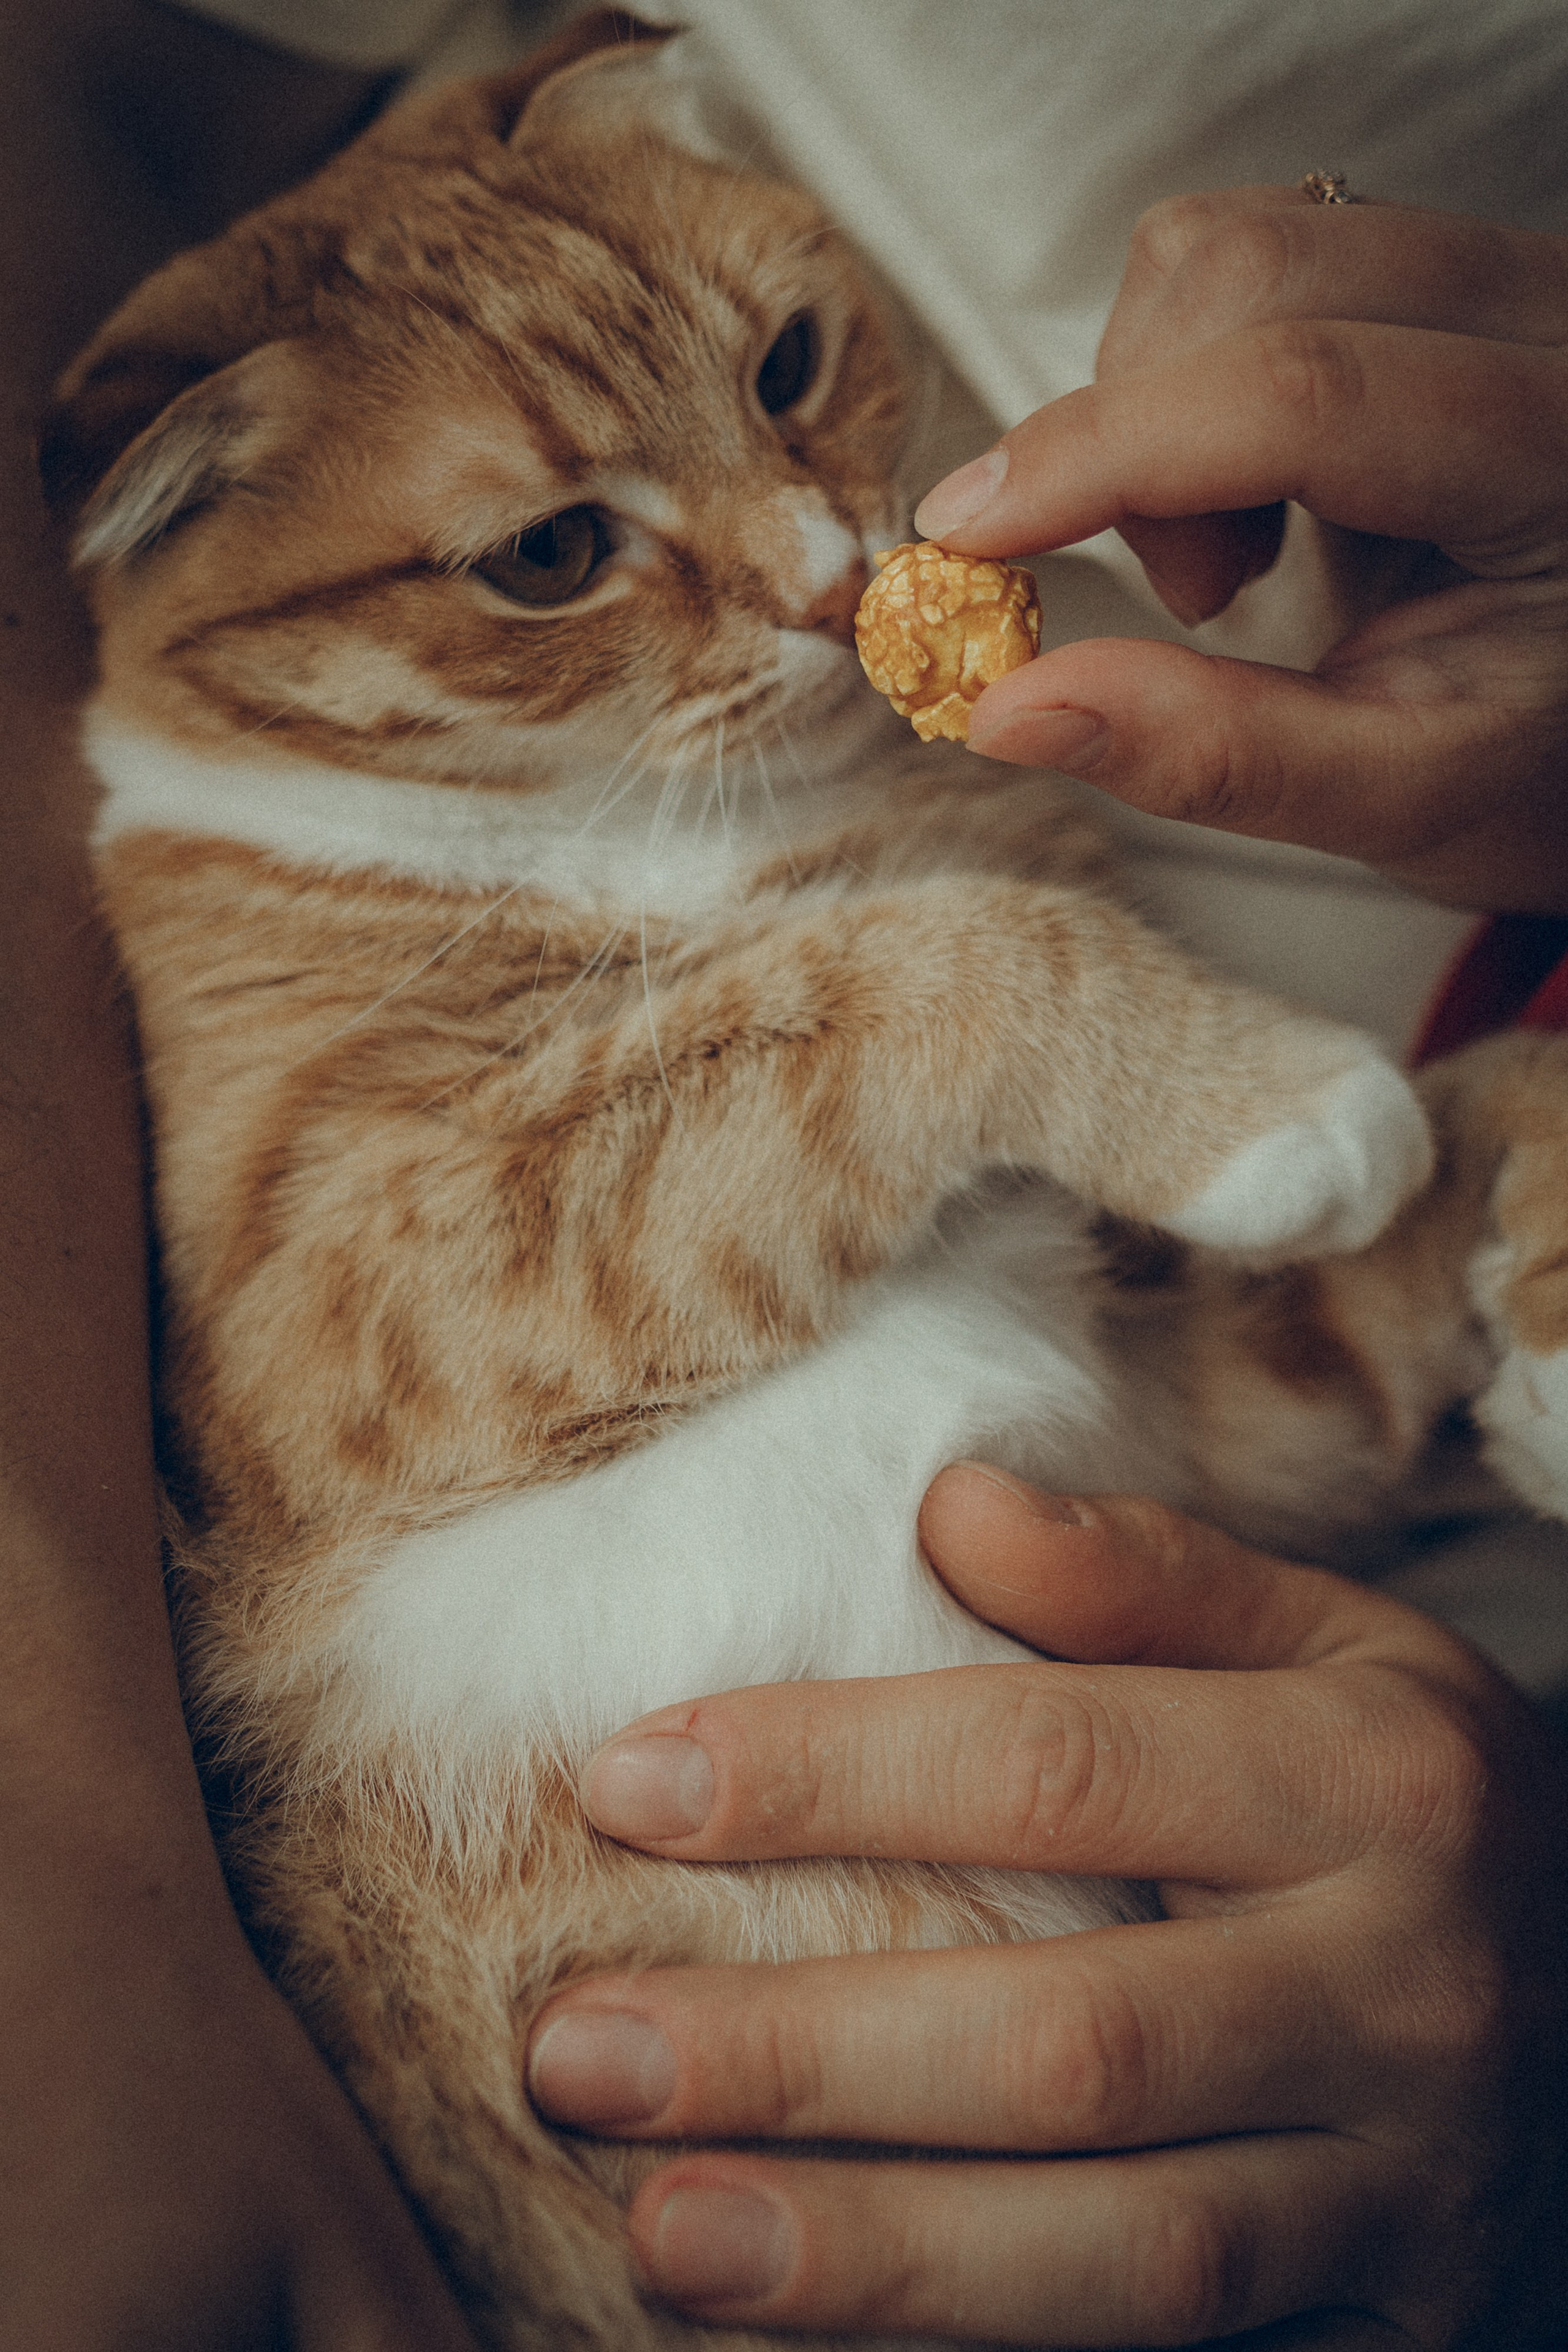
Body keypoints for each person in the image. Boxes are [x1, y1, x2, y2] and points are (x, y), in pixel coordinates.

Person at [2, 2, 1564, 2346]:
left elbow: (1246, 1391)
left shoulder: (874, 743)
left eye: (793, 367)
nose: (818, 559)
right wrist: (965, 1013)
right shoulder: (253, 883)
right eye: (553, 549)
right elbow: (384, 1369)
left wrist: (1502, 1184)